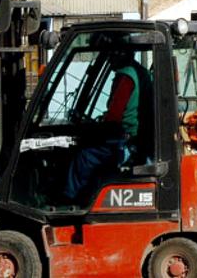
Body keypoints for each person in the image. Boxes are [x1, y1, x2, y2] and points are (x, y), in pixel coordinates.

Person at [62, 48, 149, 204]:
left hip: (124, 140)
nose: (109, 61)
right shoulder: (140, 72)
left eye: (111, 56)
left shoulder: (126, 76)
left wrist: (97, 127)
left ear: (119, 54)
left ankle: (70, 200)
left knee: (83, 156)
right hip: (132, 136)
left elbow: (114, 117)